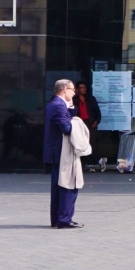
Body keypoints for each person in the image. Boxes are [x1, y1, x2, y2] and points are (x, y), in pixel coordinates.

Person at [43, 79, 81, 228]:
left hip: (56, 152)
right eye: (72, 90)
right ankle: (64, 219)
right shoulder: (58, 106)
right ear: (64, 89)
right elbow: (66, 127)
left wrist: (71, 105)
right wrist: (77, 126)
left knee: (59, 186)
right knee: (67, 185)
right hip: (61, 152)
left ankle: (58, 219)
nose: (74, 93)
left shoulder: (56, 104)